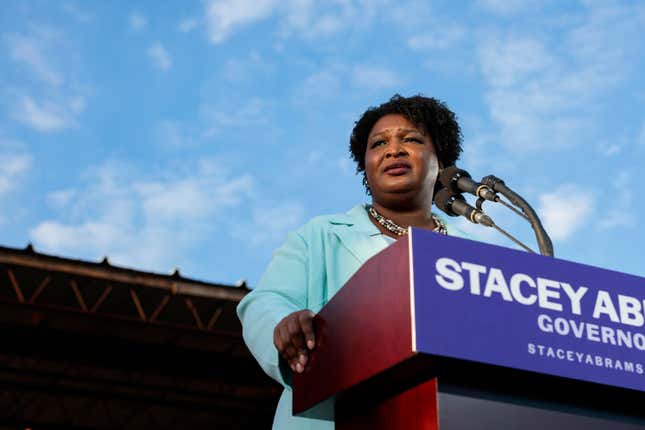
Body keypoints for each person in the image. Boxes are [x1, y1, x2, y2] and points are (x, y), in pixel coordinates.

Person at [237, 94, 464, 429]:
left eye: (411, 139)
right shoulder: (320, 235)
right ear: (366, 166)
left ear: (442, 162)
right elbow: (264, 302)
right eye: (379, 144)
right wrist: (283, 323)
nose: (393, 150)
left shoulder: (471, 252)